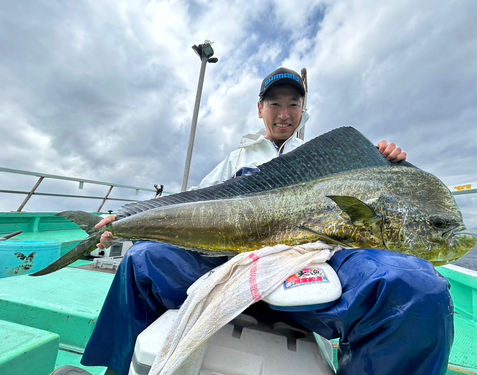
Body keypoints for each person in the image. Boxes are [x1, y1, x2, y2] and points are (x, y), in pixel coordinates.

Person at [76, 68, 452, 375]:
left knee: (416, 287)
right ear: (260, 109)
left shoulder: (331, 157)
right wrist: (124, 218)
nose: (284, 113)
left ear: (304, 109)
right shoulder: (234, 160)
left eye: (293, 104)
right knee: (140, 261)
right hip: (232, 264)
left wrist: (386, 164)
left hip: (314, 265)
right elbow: (192, 205)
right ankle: (115, 370)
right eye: (275, 103)